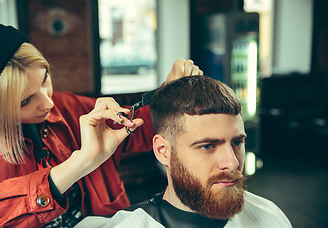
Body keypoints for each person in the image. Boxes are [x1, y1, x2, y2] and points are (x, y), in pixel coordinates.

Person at [0, 17, 203, 227]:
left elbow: (142, 131)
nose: (47, 103)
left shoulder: (70, 107)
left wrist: (170, 93)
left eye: (45, 78)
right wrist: (81, 162)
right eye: (25, 101)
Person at [74, 75, 292, 228]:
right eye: (207, 146)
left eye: (237, 143)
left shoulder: (270, 216)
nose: (232, 162)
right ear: (163, 151)